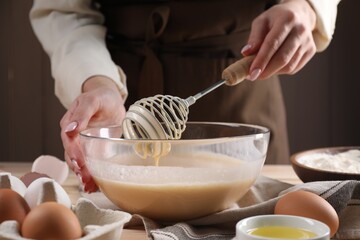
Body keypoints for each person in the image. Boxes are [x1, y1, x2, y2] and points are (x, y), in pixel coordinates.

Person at [30, 0, 340, 192]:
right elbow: (64, 10)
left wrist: (306, 7)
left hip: (244, 95)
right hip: (120, 86)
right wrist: (99, 84)